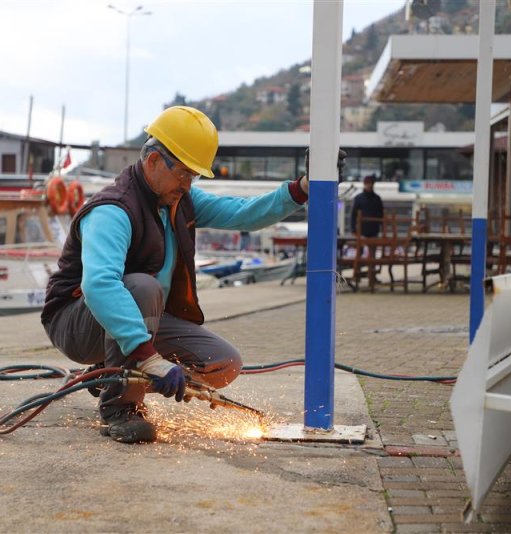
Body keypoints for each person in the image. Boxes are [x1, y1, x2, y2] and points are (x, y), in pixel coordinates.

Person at [41, 106, 328, 444]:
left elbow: (242, 213)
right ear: (153, 161)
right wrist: (149, 358)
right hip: (76, 324)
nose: (188, 183)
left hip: (143, 319)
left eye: (193, 175)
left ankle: (115, 373)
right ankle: (121, 409)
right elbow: (99, 285)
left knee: (223, 364)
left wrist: (301, 189)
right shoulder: (113, 210)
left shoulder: (178, 199)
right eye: (184, 173)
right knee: (141, 286)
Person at [350, 175, 384, 287]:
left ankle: (372, 275)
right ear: (364, 184)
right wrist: (353, 229)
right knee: (359, 253)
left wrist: (381, 228)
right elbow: (353, 215)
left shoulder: (377, 199)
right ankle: (357, 274)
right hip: (362, 231)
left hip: (373, 230)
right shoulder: (359, 198)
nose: (369, 185)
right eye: (367, 183)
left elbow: (381, 215)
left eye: (371, 183)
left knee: (373, 255)